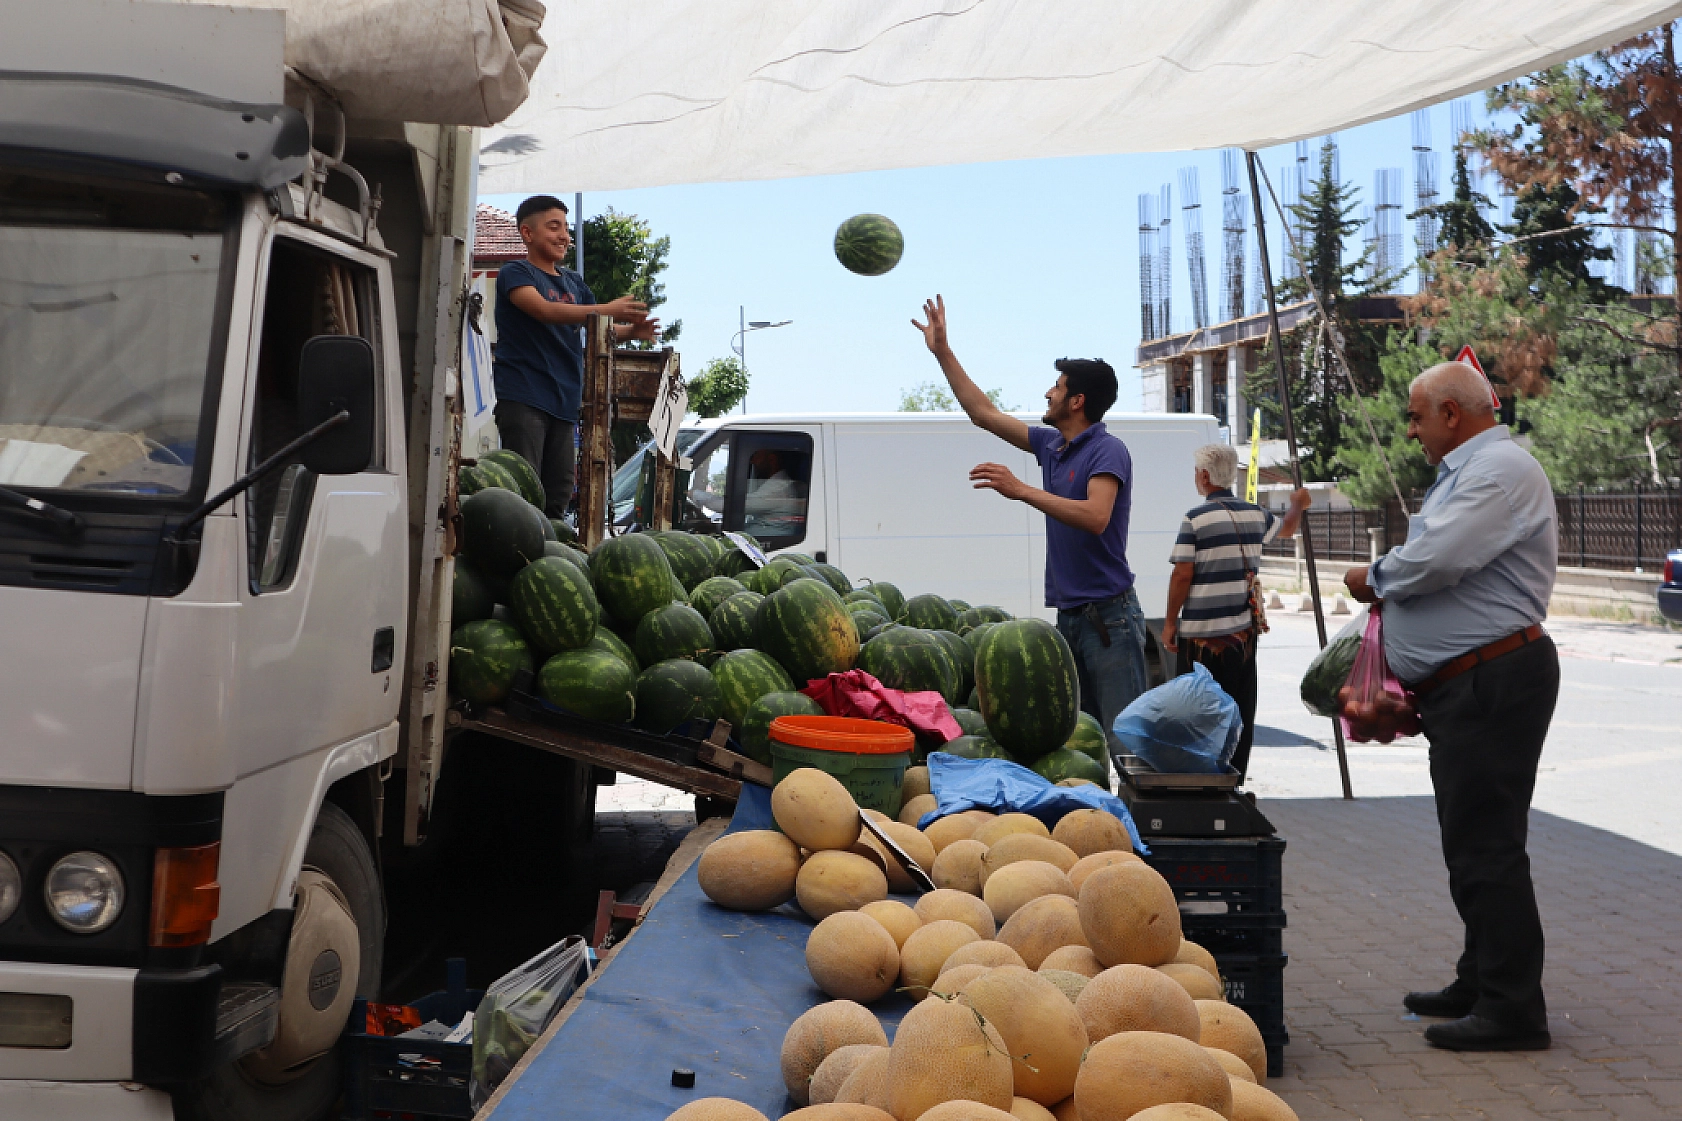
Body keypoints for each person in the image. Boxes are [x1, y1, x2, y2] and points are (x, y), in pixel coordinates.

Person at [1344, 361, 1558, 1053]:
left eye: (1415, 417)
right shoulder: (1472, 471)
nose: (1410, 431)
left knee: (1487, 846)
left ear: (1450, 413)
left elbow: (1437, 560)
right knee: (1471, 841)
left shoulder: (1498, 471)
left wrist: (1373, 577)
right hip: (1472, 683)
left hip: (1493, 679)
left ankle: (1512, 1008)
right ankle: (1481, 980)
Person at [912, 295, 1148, 775]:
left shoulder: (1107, 450)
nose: (1047, 393)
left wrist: (1021, 490)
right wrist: (943, 352)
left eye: (1057, 387)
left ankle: (1136, 821)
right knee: (1078, 742)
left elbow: (1096, 516)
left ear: (1077, 401)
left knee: (1125, 744)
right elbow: (982, 413)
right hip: (1072, 617)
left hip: (1110, 620)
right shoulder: (1052, 445)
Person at [493, 195, 659, 517]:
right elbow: (545, 310)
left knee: (558, 494)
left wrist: (630, 332)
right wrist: (606, 309)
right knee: (524, 492)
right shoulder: (515, 272)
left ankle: (552, 544)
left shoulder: (574, 283)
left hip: (565, 402)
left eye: (566, 229)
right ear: (527, 233)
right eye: (553, 227)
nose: (564, 236)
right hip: (524, 396)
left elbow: (595, 328)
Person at [1161, 443, 1311, 781]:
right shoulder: (1255, 514)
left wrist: (1170, 622)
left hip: (1199, 640)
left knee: (1196, 713)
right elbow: (1288, 528)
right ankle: (1232, 780)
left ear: (1204, 476)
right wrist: (1297, 505)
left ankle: (1197, 780)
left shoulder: (1195, 519)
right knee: (1237, 710)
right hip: (1241, 639)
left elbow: (1182, 573)